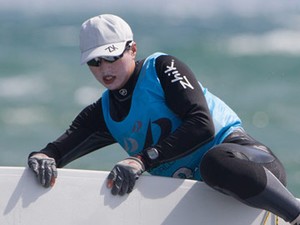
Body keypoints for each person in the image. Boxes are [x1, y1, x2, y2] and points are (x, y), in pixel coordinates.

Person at [27, 14, 300, 224]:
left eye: (112, 57)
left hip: (251, 169)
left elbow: (202, 126)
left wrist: (141, 159)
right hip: (207, 199)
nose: (104, 69)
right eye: (95, 62)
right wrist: (42, 158)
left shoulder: (162, 69)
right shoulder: (103, 112)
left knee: (214, 162)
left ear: (132, 49)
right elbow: (56, 151)